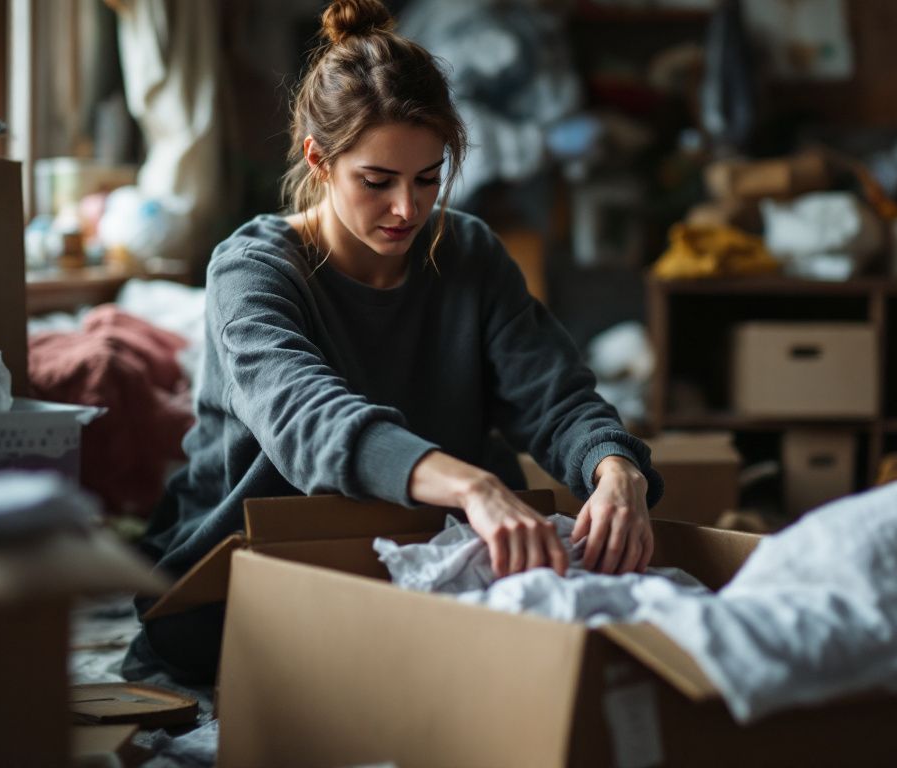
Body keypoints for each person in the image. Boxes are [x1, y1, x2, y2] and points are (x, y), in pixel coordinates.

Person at [127, 0, 663, 685]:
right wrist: (472, 485)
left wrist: (615, 468)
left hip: (426, 569)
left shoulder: (468, 252)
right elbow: (307, 419)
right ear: (320, 161)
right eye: (377, 183)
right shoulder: (252, 269)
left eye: (428, 179)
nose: (407, 209)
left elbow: (555, 398)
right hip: (243, 583)